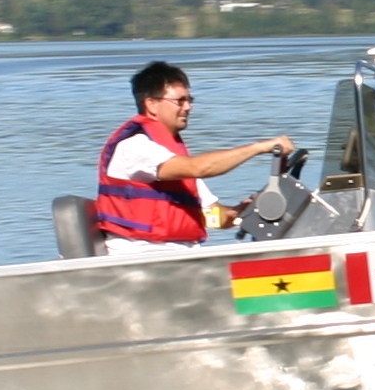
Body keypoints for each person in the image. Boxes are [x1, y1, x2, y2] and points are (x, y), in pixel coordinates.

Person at [96, 61, 294, 254]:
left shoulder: (172, 156)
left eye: (189, 100)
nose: (188, 107)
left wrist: (242, 211)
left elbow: (213, 215)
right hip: (144, 256)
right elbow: (200, 168)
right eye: (180, 101)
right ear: (151, 105)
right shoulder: (135, 147)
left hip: (179, 255)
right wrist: (260, 147)